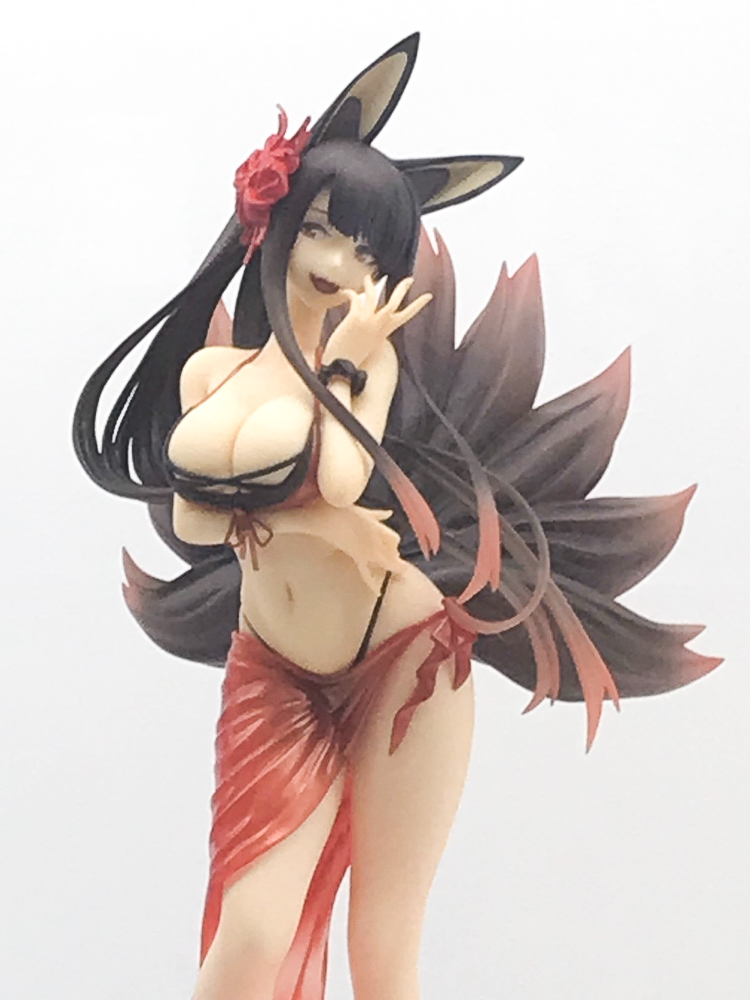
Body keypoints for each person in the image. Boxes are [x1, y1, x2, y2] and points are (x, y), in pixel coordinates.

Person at [73, 33, 721, 1000]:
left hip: (408, 659)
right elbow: (200, 522)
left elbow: (339, 476)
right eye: (323, 230)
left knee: (385, 948)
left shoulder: (365, 360)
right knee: (252, 935)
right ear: (276, 223)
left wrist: (343, 372)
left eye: (368, 250)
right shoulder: (215, 374)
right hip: (275, 672)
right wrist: (312, 528)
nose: (339, 263)